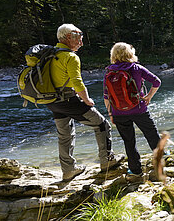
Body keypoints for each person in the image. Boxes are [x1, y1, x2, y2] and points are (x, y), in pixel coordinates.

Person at [47, 24, 125, 181]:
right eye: (79, 38)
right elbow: (77, 82)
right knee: (102, 124)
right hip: (69, 99)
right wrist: (87, 99)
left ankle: (68, 170)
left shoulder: (50, 54)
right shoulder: (70, 57)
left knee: (64, 135)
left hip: (52, 101)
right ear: (69, 37)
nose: (81, 43)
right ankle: (107, 161)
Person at [103, 42, 162, 181]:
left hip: (118, 113)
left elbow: (106, 97)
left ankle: (135, 170)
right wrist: (148, 97)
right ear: (130, 54)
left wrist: (111, 114)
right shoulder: (136, 68)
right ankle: (160, 161)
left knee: (129, 141)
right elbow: (157, 82)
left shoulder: (109, 72)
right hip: (139, 109)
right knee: (151, 133)